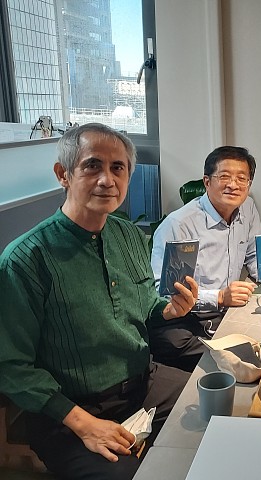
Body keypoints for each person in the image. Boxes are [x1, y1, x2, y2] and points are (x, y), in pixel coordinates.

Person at [0, 123, 198, 480]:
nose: (107, 180)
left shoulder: (128, 235)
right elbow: (11, 365)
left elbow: (145, 305)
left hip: (144, 384)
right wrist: (84, 424)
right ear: (63, 174)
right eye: (92, 166)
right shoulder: (26, 258)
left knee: (216, 405)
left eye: (117, 168)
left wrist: (169, 310)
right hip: (71, 412)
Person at [150, 146, 261, 372]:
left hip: (225, 311)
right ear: (207, 182)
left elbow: (253, 255)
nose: (233, 185)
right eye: (224, 176)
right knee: (235, 360)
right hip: (184, 318)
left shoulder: (247, 208)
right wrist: (220, 297)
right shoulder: (180, 225)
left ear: (249, 185)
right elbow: (163, 292)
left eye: (241, 178)